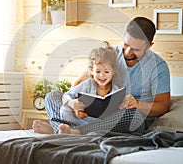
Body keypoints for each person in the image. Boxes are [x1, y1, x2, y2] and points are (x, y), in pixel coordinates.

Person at [33, 17, 171, 135]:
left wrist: (137, 104)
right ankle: (66, 130)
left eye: (135, 49)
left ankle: (63, 130)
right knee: (53, 96)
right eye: (126, 44)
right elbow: (78, 84)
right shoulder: (108, 54)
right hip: (90, 116)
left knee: (133, 116)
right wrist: (75, 105)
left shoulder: (158, 67)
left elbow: (163, 106)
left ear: (149, 46)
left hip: (124, 117)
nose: (128, 52)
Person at [60, 45, 121, 126]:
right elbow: (66, 96)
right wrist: (71, 103)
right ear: (92, 71)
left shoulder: (116, 90)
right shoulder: (87, 84)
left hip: (105, 122)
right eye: (98, 71)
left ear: (113, 71)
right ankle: (89, 130)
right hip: (85, 119)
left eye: (106, 72)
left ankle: (83, 131)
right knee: (64, 109)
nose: (102, 75)